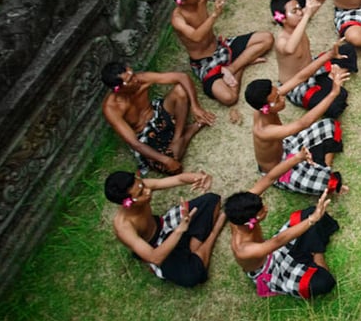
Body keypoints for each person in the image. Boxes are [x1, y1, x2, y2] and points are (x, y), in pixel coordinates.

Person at [225, 166, 339, 299]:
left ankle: (313, 251)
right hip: (273, 270)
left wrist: (298, 157)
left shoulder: (240, 212)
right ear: (252, 220)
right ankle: (316, 255)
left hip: (272, 248)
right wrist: (312, 220)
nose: (266, 208)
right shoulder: (243, 249)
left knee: (311, 213)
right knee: (323, 282)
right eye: (262, 210)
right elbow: (278, 241)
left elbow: (269, 178)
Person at [163, 0, 274, 106]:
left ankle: (231, 68)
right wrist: (214, 15)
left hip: (221, 47)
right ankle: (242, 64)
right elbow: (196, 37)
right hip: (205, 62)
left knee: (267, 38)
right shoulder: (178, 19)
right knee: (229, 98)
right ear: (181, 1)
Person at [104, 168, 225, 287]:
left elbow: (178, 179)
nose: (147, 191)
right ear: (127, 203)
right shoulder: (123, 227)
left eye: (143, 185)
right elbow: (154, 257)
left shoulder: (140, 186)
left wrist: (198, 177)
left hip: (164, 224)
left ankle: (192, 254)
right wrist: (180, 230)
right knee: (192, 276)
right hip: (156, 246)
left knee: (211, 200)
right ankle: (213, 233)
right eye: (141, 194)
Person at [101, 62, 216, 175]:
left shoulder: (141, 79)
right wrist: (166, 160)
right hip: (145, 136)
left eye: (133, 75)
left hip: (156, 114)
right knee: (173, 165)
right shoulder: (112, 108)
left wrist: (195, 106)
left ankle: (178, 136)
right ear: (118, 89)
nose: (135, 80)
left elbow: (182, 77)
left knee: (180, 90)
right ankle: (192, 128)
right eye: (130, 80)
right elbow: (134, 143)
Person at [245, 74, 347, 195]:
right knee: (329, 183)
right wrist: (333, 93)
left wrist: (330, 55)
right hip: (279, 169)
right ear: (265, 108)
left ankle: (321, 165)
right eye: (277, 100)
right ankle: (319, 168)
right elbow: (302, 124)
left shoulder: (270, 99)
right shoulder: (263, 130)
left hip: (286, 146)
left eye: (278, 93)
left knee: (329, 125)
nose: (282, 98)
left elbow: (300, 77)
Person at [271, 0, 357, 118]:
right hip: (296, 85)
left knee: (348, 50)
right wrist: (306, 15)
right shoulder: (282, 41)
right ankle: (332, 79)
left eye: (300, 8)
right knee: (336, 104)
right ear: (282, 19)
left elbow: (318, 2)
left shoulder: (299, 20)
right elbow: (290, 49)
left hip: (313, 67)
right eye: (294, 11)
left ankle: (331, 78)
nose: (300, 12)